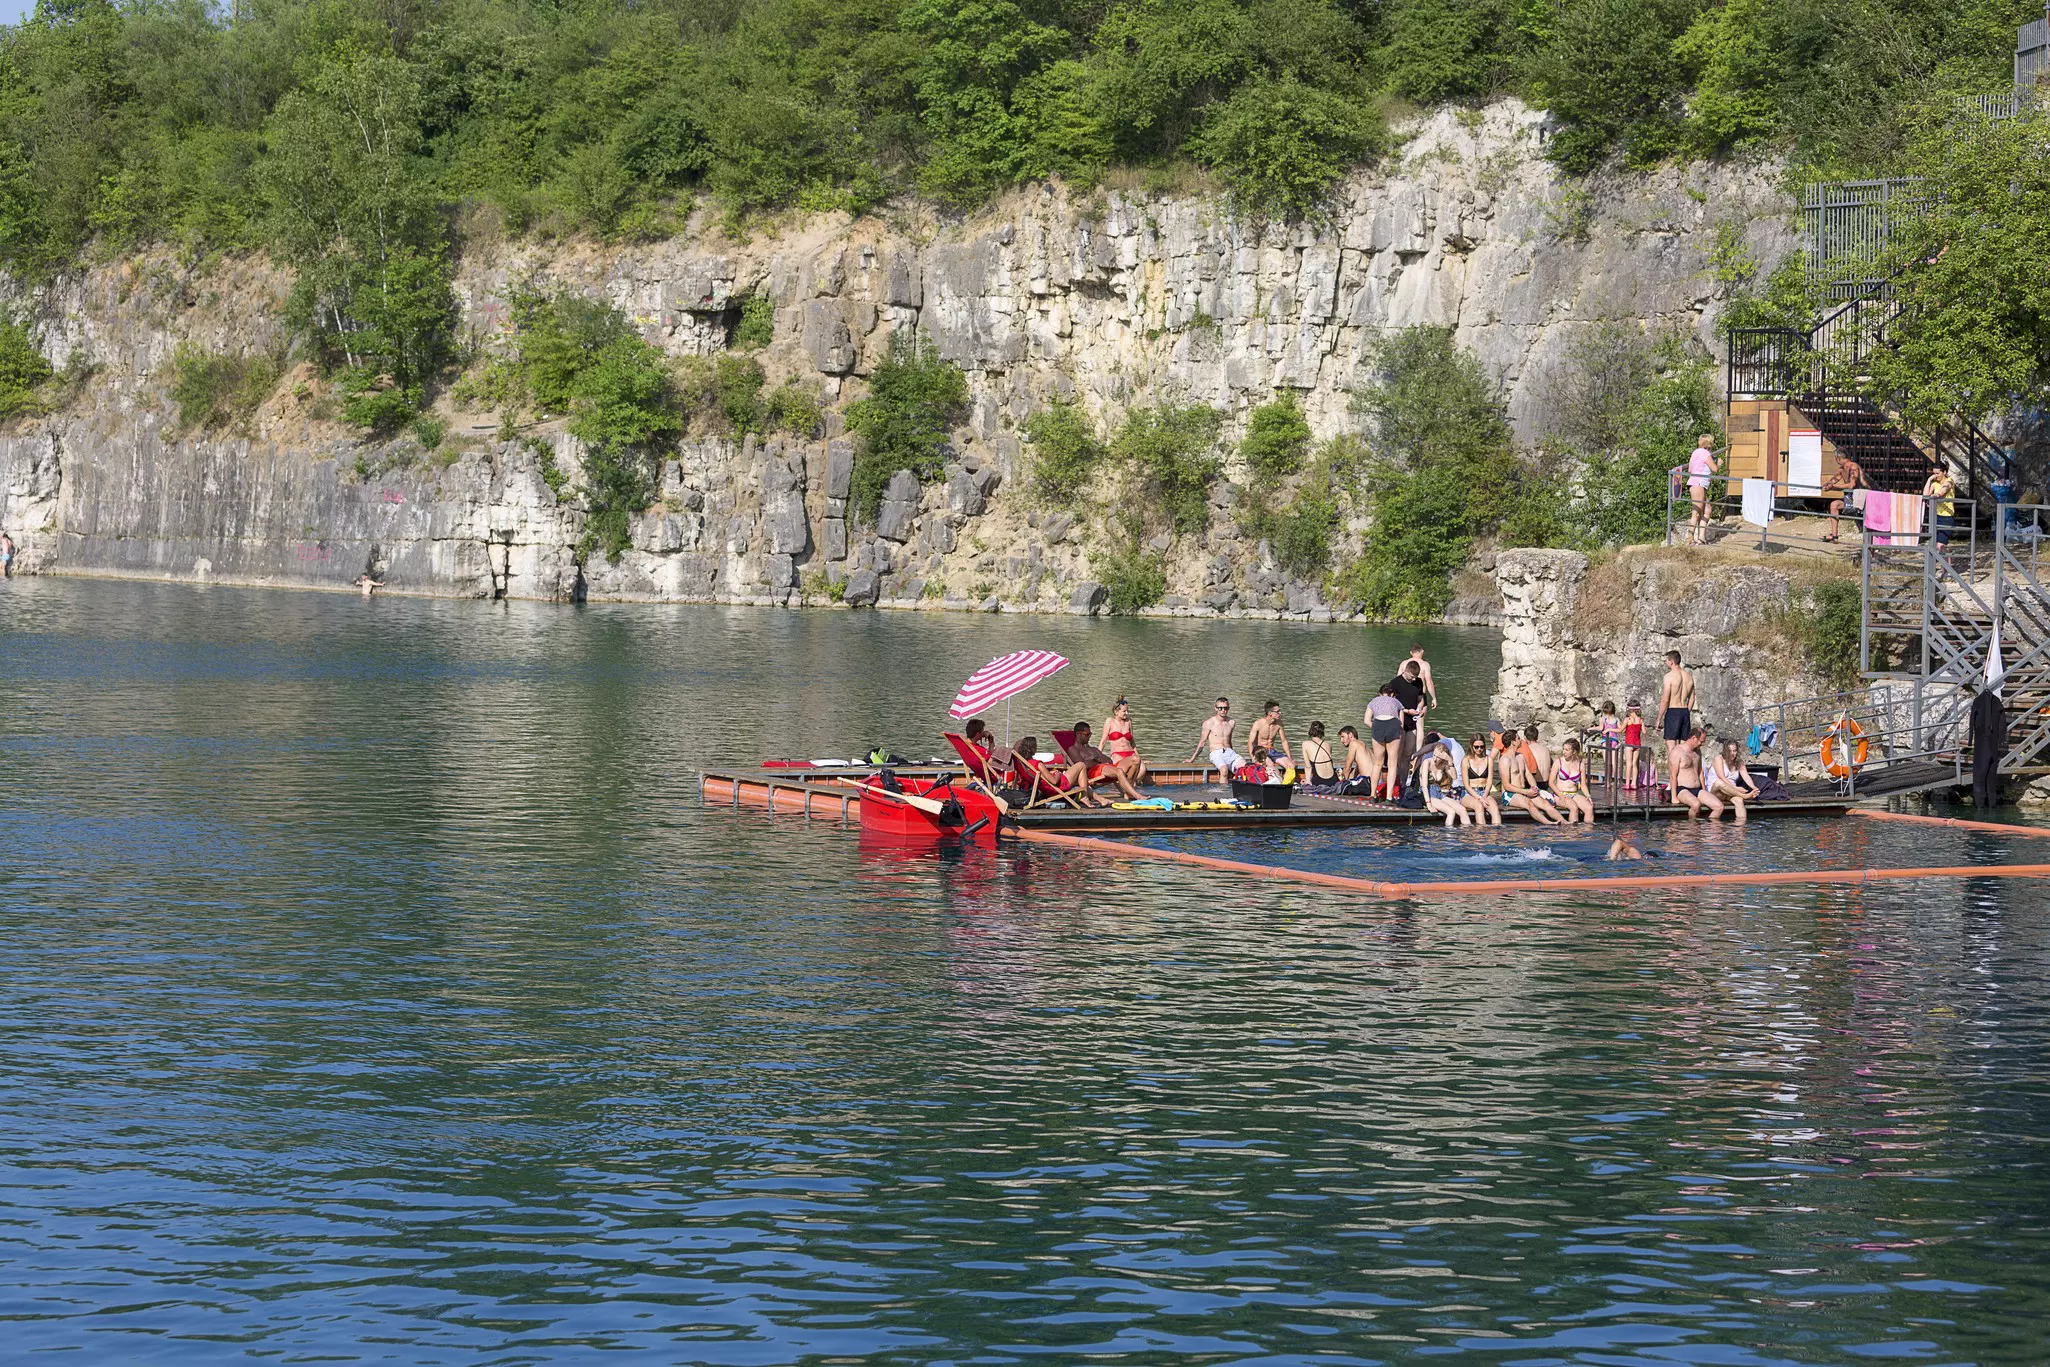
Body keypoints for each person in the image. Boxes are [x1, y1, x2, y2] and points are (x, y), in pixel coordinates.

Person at [1063, 721, 1141, 803]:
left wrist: (1094, 758)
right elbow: (1082, 765)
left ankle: (1128, 793)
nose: (1089, 737)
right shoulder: (1073, 749)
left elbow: (1109, 761)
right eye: (1087, 734)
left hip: (1107, 768)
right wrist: (1097, 760)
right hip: (1093, 772)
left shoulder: (1093, 749)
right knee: (1119, 771)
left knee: (1136, 759)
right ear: (1078, 734)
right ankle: (1136, 795)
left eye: (1090, 734)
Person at [1655, 651, 1695, 790]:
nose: (1666, 663)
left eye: (1666, 660)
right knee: (1685, 748)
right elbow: (1693, 697)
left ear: (1672, 661)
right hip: (1684, 712)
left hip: (1673, 711)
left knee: (1671, 749)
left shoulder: (1669, 677)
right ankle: (1684, 780)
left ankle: (1673, 784)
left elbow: (1665, 699)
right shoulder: (1688, 676)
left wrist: (1659, 718)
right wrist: (1686, 712)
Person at [1501, 740, 1561, 824]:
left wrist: (1535, 787)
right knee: (1529, 803)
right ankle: (1549, 823)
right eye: (1518, 738)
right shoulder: (1505, 759)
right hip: (1510, 794)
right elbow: (1506, 785)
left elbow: (1528, 775)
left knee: (1545, 803)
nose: (1520, 740)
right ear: (1513, 742)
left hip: (1524, 791)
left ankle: (1564, 822)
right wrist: (1526, 791)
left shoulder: (1521, 757)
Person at [1365, 685, 1405, 800]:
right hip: (1393, 725)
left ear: (1379, 693)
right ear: (1392, 694)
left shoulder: (1373, 701)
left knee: (1377, 764)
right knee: (1392, 764)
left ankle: (1373, 795)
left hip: (1378, 724)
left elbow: (1366, 721)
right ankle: (1389, 797)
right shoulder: (1397, 702)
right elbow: (1401, 724)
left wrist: (1377, 728)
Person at [1705, 738, 1758, 824]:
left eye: (1734, 751)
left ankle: (1740, 830)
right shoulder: (1718, 759)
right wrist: (1737, 789)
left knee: (1739, 801)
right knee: (1719, 782)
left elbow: (1745, 775)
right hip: (1716, 792)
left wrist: (1753, 787)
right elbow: (1722, 777)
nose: (1732, 754)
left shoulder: (1739, 762)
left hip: (1731, 793)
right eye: (1729, 751)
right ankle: (1744, 796)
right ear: (1725, 751)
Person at [1388, 660, 1428, 774]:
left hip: (1412, 723)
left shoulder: (1418, 682)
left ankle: (1403, 782)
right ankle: (1395, 783)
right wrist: (1406, 711)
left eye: (1415, 677)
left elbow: (1420, 699)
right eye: (1411, 677)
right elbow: (1391, 703)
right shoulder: (1395, 683)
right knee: (1398, 754)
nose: (1414, 679)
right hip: (1399, 722)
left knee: (1408, 754)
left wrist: (1419, 709)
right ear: (1405, 671)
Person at [1669, 729, 1715, 819]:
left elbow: (1700, 772)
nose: (1702, 744)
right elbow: (1672, 775)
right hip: (1682, 790)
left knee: (1719, 807)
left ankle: (1709, 830)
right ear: (1694, 738)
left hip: (1697, 789)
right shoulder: (1677, 751)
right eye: (1701, 741)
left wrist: (1704, 789)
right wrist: (1673, 797)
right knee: (1696, 804)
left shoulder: (1698, 752)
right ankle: (1691, 829)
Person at [1102, 697, 1149, 785]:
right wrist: (1098, 757)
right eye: (1124, 711)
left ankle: (1132, 786)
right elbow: (1103, 741)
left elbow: (1132, 742)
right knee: (1123, 770)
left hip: (1130, 752)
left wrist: (1139, 757)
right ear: (1116, 712)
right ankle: (1128, 787)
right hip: (1117, 754)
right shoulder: (1110, 721)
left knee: (1142, 769)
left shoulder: (1129, 721)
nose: (1127, 713)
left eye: (1127, 711)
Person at [1193, 697, 1240, 782]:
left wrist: (1232, 753)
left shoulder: (1231, 722)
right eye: (1220, 708)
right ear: (1215, 708)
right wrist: (1192, 759)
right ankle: (1223, 793)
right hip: (1216, 753)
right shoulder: (1208, 723)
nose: (1223, 710)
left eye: (1226, 708)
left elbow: (1229, 740)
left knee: (1246, 769)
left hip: (1229, 752)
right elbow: (1202, 742)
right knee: (1224, 770)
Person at [1548, 738, 1595, 824]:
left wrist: (1588, 796)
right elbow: (1551, 783)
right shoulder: (1558, 762)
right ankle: (1571, 835)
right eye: (1563, 749)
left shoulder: (1581, 764)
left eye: (1567, 750)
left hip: (1574, 794)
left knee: (1589, 807)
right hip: (1559, 794)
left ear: (1574, 751)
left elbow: (1583, 785)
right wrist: (1561, 795)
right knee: (1574, 807)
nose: (1564, 752)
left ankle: (1588, 834)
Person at [1683, 433, 1718, 545]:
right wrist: (1719, 463)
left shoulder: (1695, 452)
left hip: (1695, 484)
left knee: (1707, 510)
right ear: (1709, 443)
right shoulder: (1705, 453)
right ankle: (1690, 537)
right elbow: (1715, 469)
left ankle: (1701, 538)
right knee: (1696, 513)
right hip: (1699, 484)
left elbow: (1690, 469)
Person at [1825, 452, 1867, 543]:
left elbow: (1852, 485)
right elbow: (1833, 480)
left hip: (1863, 498)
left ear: (1838, 458)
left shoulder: (1853, 467)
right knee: (1834, 505)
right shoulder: (1842, 469)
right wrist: (1826, 486)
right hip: (1851, 498)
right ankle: (1834, 536)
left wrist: (1834, 487)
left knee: (1864, 526)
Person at [1462, 733, 1503, 826]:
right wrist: (1479, 798)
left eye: (1481, 746)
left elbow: (1489, 781)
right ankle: (1480, 835)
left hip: (1484, 792)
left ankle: (1495, 835)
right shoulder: (1466, 760)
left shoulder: (1489, 760)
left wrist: (1484, 796)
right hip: (1469, 793)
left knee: (1494, 808)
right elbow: (1466, 784)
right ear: (1471, 746)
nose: (1479, 749)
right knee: (1479, 806)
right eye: (1476, 747)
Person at [1421, 753, 1470, 827]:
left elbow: (1454, 776)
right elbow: (1424, 786)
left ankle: (1468, 834)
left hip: (1439, 793)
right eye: (1434, 755)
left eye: (1438, 757)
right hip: (1428, 794)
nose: (1435, 758)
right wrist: (1428, 804)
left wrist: (1450, 761)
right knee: (1451, 812)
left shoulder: (1443, 764)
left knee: (1462, 809)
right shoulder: (1427, 762)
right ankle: (1448, 835)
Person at [1248, 700, 1292, 767]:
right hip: (1261, 751)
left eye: (1279, 711)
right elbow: (1250, 742)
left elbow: (1284, 741)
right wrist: (1252, 757)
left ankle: (1284, 777)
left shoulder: (1279, 724)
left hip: (1272, 751)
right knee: (1270, 764)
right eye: (1277, 711)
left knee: (1291, 765)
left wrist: (1290, 757)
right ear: (1269, 713)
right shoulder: (1258, 723)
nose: (1280, 713)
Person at [1923, 465, 1958, 549]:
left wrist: (1937, 494)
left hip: (1946, 517)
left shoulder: (1949, 481)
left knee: (1940, 545)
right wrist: (1929, 480)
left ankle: (1947, 562)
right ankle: (1944, 561)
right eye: (1934, 473)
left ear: (1944, 472)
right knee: (1935, 544)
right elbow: (1925, 494)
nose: (1935, 475)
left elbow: (1943, 491)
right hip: (1935, 515)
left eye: (1937, 473)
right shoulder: (1934, 483)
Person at [1336, 725, 1375, 794]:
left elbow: (1348, 765)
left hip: (1367, 783)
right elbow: (1355, 772)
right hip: (1375, 783)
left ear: (1351, 735)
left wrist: (1343, 782)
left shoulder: (1353, 743)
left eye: (1343, 737)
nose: (1341, 740)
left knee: (1337, 788)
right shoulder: (1365, 747)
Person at [1301, 721, 1337, 786]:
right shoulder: (1328, 745)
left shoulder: (1305, 744)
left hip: (1319, 781)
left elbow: (1308, 767)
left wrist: (1308, 781)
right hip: (1333, 780)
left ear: (1310, 731)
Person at [1596, 701, 1622, 790]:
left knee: (1607, 763)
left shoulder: (1602, 718)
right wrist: (1612, 729)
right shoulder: (1617, 719)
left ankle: (1608, 782)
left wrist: (1591, 728)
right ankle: (1616, 782)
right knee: (1614, 763)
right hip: (1614, 740)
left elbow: (1600, 728)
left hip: (1605, 740)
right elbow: (1620, 729)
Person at [1621, 700, 1645, 792]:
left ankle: (1627, 783)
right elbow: (1644, 731)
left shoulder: (1628, 719)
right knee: (1635, 764)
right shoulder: (1640, 720)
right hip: (1637, 744)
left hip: (1629, 744)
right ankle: (1634, 783)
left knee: (1628, 764)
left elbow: (1620, 730)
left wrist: (1609, 729)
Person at [1406, 643, 1439, 710]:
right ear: (1422, 651)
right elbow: (1429, 682)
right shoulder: (1425, 665)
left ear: (1411, 652)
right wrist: (1434, 698)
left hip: (1406, 694)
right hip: (1420, 696)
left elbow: (1398, 680)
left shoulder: (1404, 663)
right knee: (1419, 718)